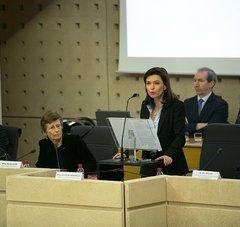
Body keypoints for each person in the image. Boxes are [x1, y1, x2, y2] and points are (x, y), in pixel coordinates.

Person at [114, 67, 189, 176]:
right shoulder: (145, 105)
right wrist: (125, 153)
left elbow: (180, 137)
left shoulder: (177, 106)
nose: (152, 87)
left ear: (165, 86)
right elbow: (141, 135)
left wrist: (169, 155)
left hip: (169, 164)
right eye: (148, 83)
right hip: (148, 165)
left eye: (156, 83)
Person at [184, 67, 228, 135]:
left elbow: (214, 129)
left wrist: (191, 127)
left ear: (211, 83)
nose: (196, 84)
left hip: (210, 143)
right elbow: (180, 128)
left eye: (200, 81)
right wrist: (198, 126)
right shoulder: (187, 103)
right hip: (189, 144)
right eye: (195, 80)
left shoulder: (220, 104)